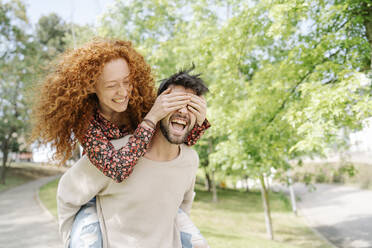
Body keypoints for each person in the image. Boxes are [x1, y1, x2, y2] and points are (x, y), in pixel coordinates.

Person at [31, 39, 209, 247]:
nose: (123, 92)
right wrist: (151, 117)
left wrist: (199, 120)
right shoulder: (86, 122)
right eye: (112, 85)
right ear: (91, 87)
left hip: (138, 191)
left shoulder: (138, 102)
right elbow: (118, 169)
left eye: (127, 81)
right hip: (96, 192)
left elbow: (172, 136)